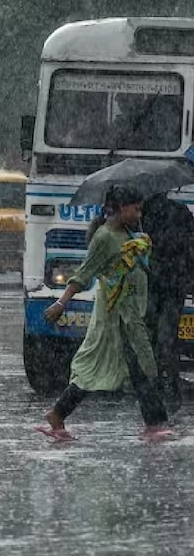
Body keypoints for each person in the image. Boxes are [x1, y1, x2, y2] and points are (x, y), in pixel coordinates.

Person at [38, 185, 172, 441]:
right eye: (136, 208)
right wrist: (60, 304)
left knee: (138, 364)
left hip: (130, 314)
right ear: (121, 209)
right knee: (101, 367)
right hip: (113, 317)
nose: (139, 213)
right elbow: (83, 275)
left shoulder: (129, 233)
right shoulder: (104, 238)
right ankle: (58, 413)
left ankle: (155, 422)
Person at [141, 192, 194, 413]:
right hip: (175, 283)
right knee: (167, 337)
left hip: (152, 283)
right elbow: (191, 248)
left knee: (150, 336)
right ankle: (170, 384)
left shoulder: (142, 215)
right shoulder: (181, 212)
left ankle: (154, 384)